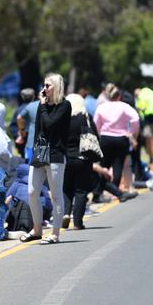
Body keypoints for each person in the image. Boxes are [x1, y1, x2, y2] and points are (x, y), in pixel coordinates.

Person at [20, 73, 71, 245]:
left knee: (55, 195)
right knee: (32, 191)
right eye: (44, 85)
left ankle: (55, 233)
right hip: (40, 153)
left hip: (56, 154)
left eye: (48, 85)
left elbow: (50, 125)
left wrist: (42, 106)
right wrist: (34, 150)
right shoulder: (42, 106)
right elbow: (39, 129)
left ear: (56, 87)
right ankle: (37, 229)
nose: (44, 89)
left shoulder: (64, 105)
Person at [94, 85, 140, 189]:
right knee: (118, 165)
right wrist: (131, 132)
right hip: (121, 138)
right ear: (119, 96)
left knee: (104, 165)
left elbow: (96, 123)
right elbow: (135, 118)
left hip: (105, 138)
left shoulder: (101, 107)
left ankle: (99, 191)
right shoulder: (123, 106)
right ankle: (115, 190)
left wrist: (99, 133)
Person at [63, 94, 97, 230]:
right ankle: (77, 222)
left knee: (66, 189)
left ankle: (65, 213)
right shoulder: (86, 117)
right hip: (83, 158)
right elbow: (95, 136)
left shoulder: (63, 118)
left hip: (66, 158)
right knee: (81, 191)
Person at [135, 87, 153, 168]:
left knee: (150, 142)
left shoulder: (141, 96)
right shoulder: (149, 93)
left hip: (149, 120)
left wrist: (138, 107)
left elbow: (142, 107)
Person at [10, 88, 35, 158]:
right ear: (33, 96)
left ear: (22, 97)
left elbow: (12, 126)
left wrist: (18, 136)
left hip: (22, 141)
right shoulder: (37, 108)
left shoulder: (18, 110)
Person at [17, 92, 40, 163]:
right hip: (49, 147)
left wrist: (22, 131)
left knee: (30, 169)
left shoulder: (32, 105)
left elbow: (19, 118)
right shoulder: (56, 106)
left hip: (31, 142)